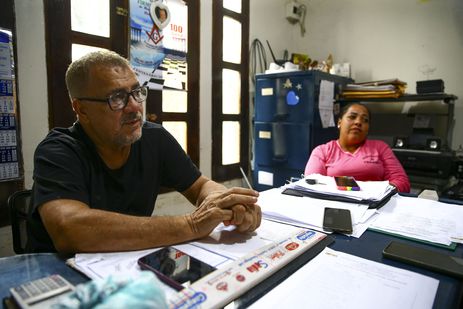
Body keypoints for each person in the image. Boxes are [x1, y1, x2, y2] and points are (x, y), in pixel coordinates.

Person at [27, 50, 261, 253]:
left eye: (137, 92)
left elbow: (200, 186)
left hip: (127, 266)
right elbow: (70, 229)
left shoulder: (154, 138)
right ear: (82, 109)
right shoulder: (58, 151)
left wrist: (229, 205)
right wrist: (192, 224)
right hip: (59, 278)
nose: (134, 107)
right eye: (116, 98)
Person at [304, 103, 410, 192]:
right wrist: (363, 188)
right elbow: (312, 184)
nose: (358, 122)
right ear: (339, 122)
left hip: (376, 207)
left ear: (368, 128)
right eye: (352, 117)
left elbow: (402, 183)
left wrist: (368, 192)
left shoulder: (380, 148)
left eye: (365, 120)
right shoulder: (322, 151)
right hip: (334, 206)